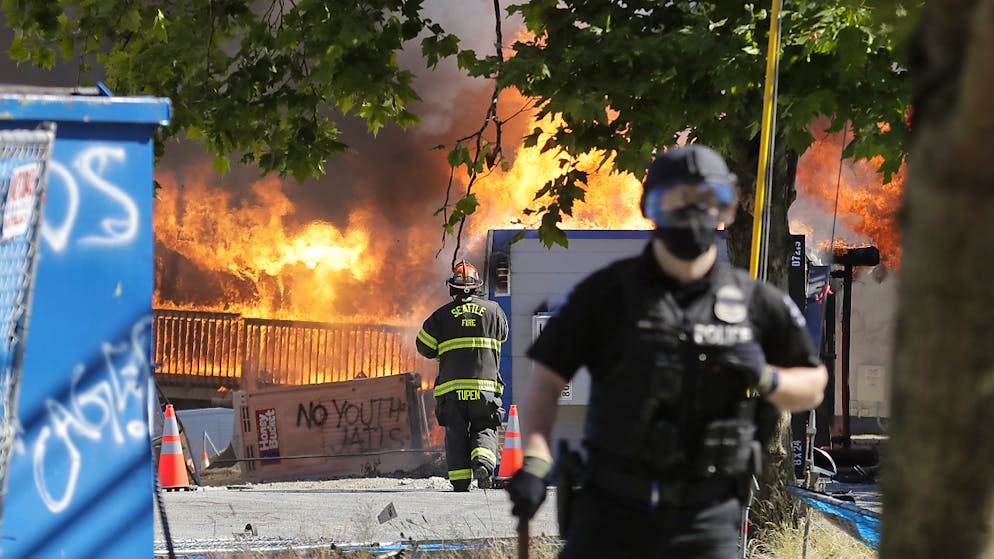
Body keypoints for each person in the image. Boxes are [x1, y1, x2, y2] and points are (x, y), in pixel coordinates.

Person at [506, 144, 829, 558]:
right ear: (650, 207)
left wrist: (769, 378)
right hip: (610, 513)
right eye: (677, 201)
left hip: (705, 520)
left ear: (727, 209)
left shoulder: (757, 303)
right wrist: (534, 459)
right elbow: (546, 382)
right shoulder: (604, 295)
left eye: (706, 201)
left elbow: (813, 384)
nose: (692, 215)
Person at [417, 259, 509, 492]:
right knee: (485, 426)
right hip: (484, 389)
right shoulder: (494, 311)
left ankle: (459, 481)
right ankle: (483, 464)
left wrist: (444, 352)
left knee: (456, 431)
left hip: (452, 390)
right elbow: (503, 336)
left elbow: (423, 346)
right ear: (478, 285)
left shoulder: (441, 316)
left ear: (452, 287)